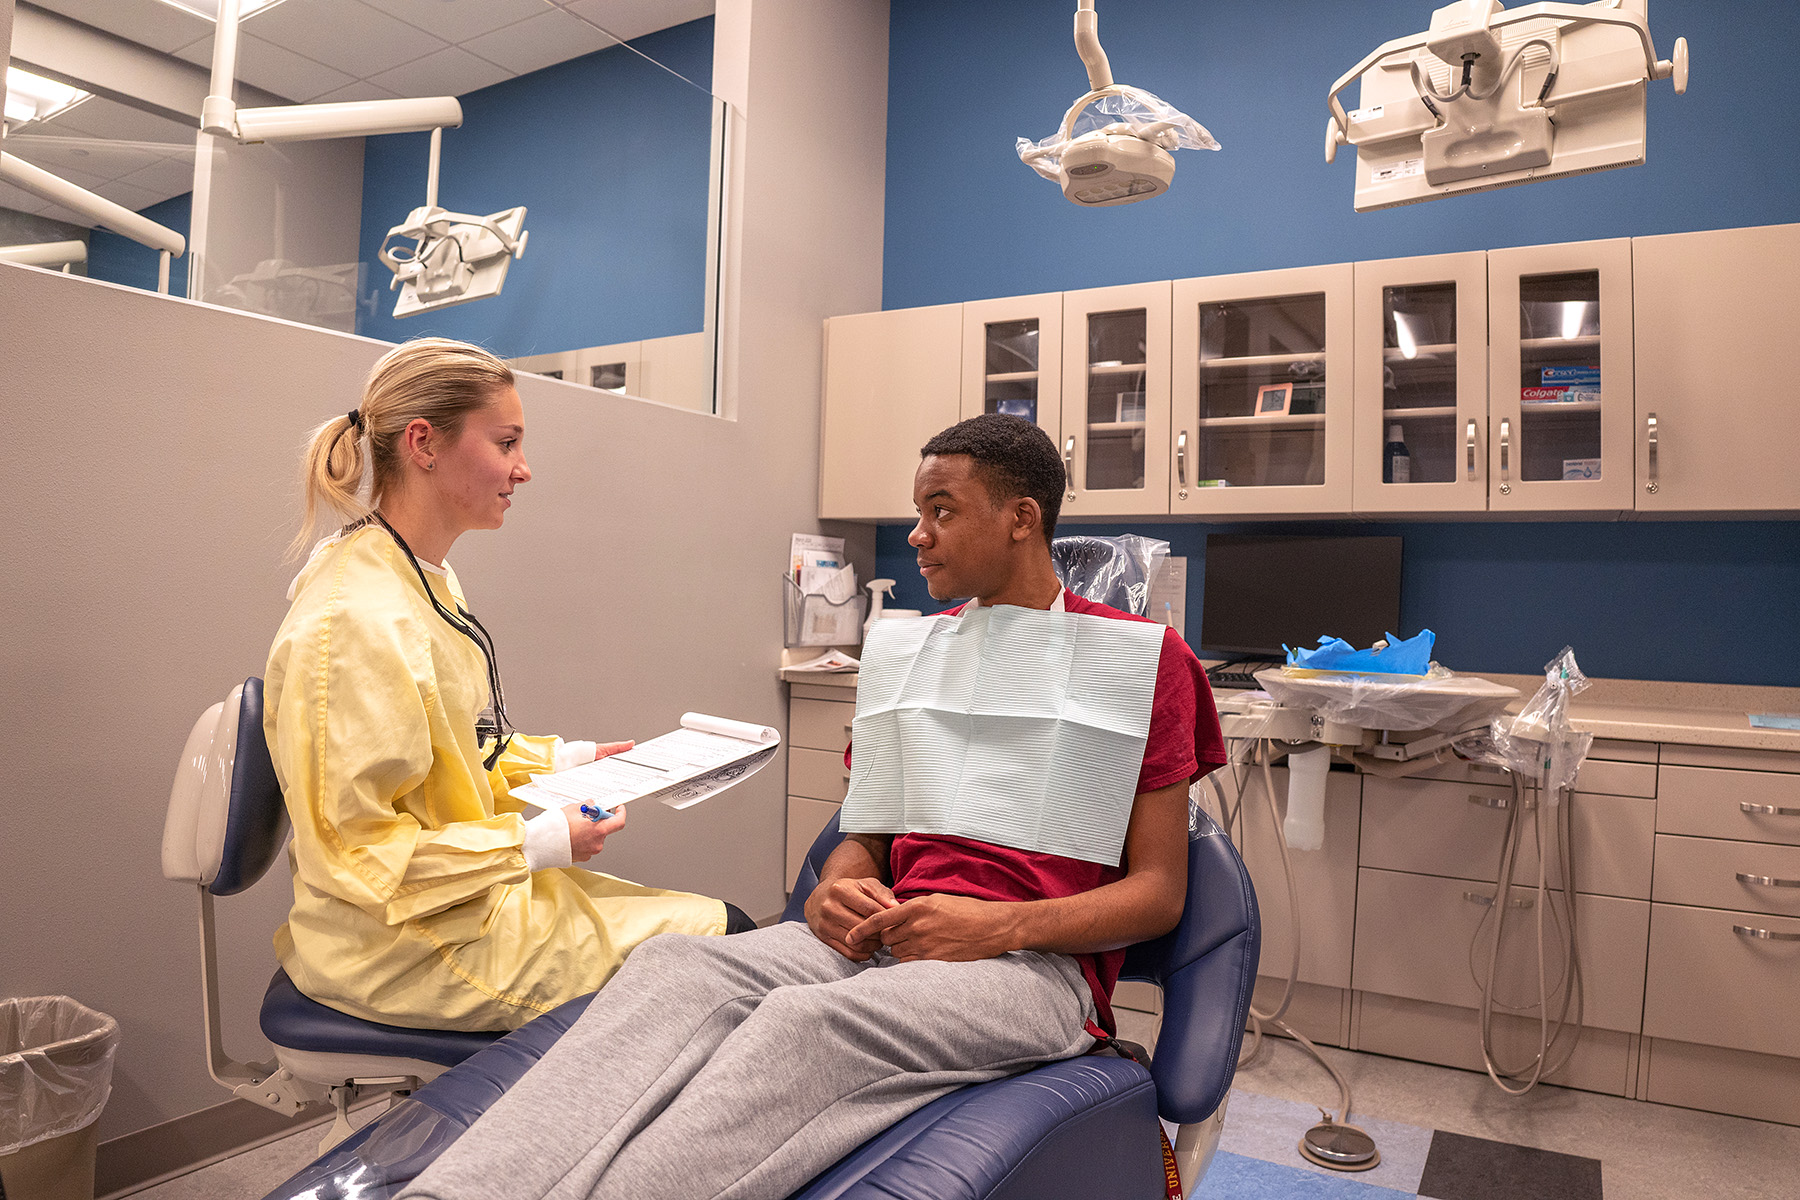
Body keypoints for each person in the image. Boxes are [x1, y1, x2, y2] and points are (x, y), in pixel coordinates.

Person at [399, 413, 1227, 1200]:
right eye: (918, 511)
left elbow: (1159, 894)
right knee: (672, 970)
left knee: (804, 1027)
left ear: (1021, 518)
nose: (917, 534)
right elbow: (863, 833)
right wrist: (836, 883)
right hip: (889, 935)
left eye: (942, 511)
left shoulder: (1141, 663)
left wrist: (998, 927)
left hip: (1029, 972)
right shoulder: (912, 655)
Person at [264, 337, 750, 1034]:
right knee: (726, 942)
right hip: (405, 948)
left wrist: (570, 762)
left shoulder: (417, 578)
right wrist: (536, 844)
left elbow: (451, 753)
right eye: (506, 443)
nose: (524, 470)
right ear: (425, 443)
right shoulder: (354, 623)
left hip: (458, 904)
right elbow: (357, 857)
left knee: (715, 931)